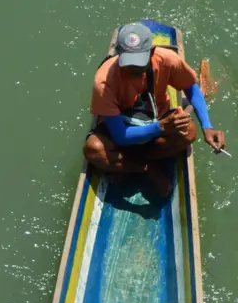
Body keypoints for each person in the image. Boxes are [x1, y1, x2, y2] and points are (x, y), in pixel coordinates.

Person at [85, 22, 225, 196]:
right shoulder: (103, 81)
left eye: (138, 63)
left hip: (157, 116)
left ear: (151, 52)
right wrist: (161, 128)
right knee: (93, 149)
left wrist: (207, 126)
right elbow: (120, 137)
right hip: (121, 127)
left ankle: (126, 164)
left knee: (188, 132)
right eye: (127, 63)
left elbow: (191, 88)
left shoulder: (167, 60)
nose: (133, 69)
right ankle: (146, 167)